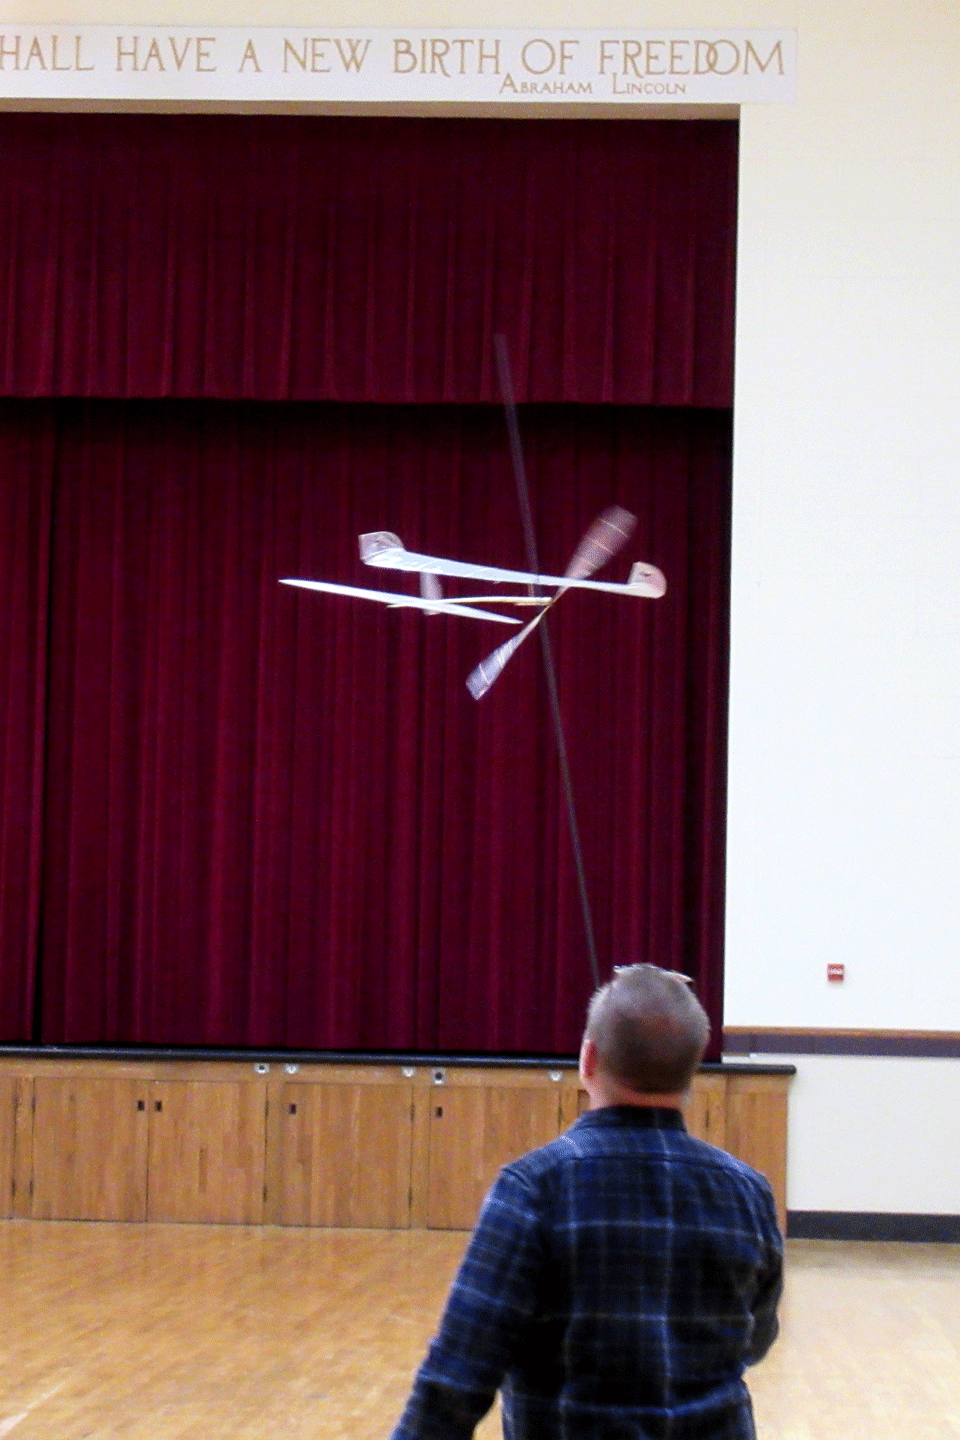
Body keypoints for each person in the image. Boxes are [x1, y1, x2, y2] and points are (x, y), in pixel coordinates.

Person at [389, 963, 783, 1440]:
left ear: (588, 1058)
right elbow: (756, 1339)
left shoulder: (534, 1189)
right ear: (691, 1068)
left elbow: (458, 1376)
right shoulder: (748, 1193)